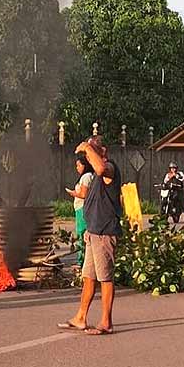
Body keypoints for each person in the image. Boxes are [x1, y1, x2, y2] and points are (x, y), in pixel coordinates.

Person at [59, 135, 122, 336]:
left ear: (103, 151)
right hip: (93, 231)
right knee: (88, 276)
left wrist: (87, 146)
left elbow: (102, 168)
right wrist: (88, 228)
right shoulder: (94, 175)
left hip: (105, 232)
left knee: (105, 277)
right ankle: (80, 317)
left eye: (93, 150)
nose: (88, 154)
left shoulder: (109, 168)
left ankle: (106, 322)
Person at [65, 155, 94, 266]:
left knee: (82, 234)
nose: (77, 168)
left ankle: (81, 261)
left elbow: (83, 194)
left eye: (78, 165)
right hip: (81, 208)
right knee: (82, 234)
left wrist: (73, 193)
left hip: (82, 208)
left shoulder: (86, 176)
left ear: (85, 165)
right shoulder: (87, 176)